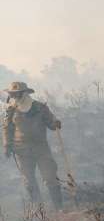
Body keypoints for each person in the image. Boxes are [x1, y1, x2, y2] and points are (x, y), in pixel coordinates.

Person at [2, 82, 64, 210]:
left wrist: (56, 123)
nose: (14, 97)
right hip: (21, 151)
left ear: (25, 93)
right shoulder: (11, 110)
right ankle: (39, 211)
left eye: (16, 94)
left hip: (41, 149)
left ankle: (59, 208)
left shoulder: (40, 108)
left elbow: (51, 124)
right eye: (12, 94)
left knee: (50, 177)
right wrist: (7, 146)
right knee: (29, 181)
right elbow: (7, 128)